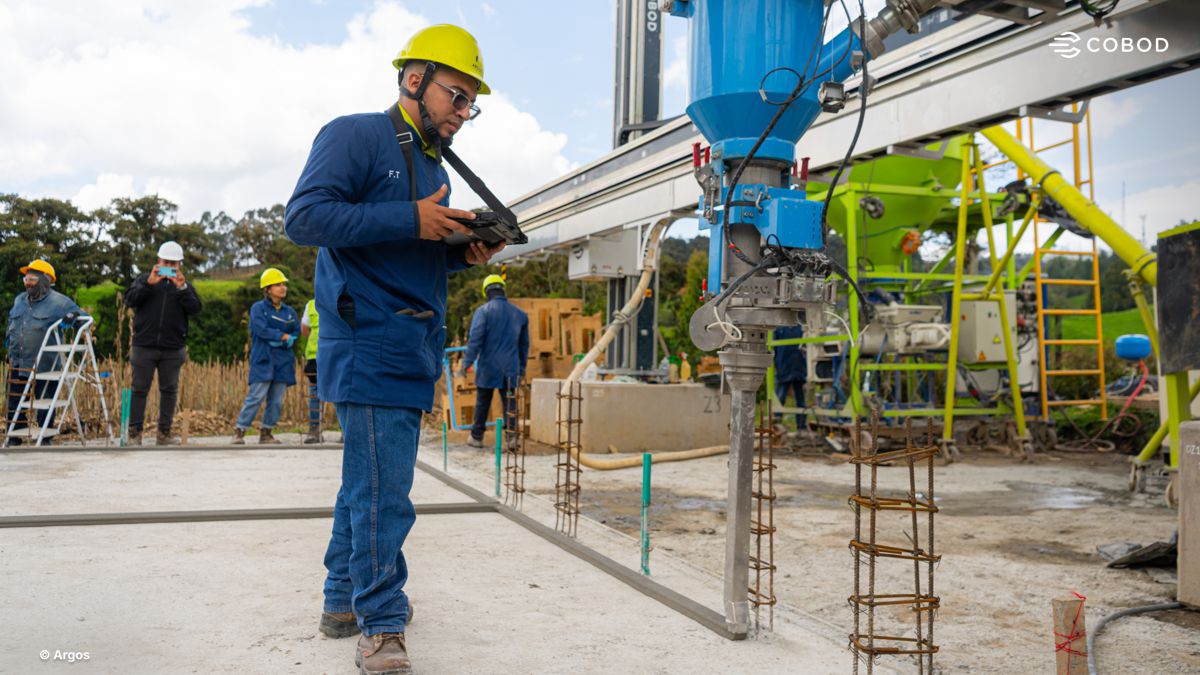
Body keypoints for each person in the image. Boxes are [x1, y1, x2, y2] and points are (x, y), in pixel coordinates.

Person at [283, 24, 503, 674]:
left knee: (365, 487)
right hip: (368, 342)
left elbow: (409, 259)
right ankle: (381, 623)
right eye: (456, 97)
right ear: (414, 79)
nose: (463, 114)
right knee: (385, 495)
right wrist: (411, 217)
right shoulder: (356, 135)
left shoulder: (432, 165)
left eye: (470, 104)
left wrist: (463, 252)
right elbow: (304, 218)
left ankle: (341, 602)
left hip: (410, 345)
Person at [123, 241, 203, 445]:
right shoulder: (144, 280)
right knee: (139, 389)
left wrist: (182, 288)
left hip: (173, 348)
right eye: (166, 262)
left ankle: (164, 433)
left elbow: (195, 309)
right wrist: (149, 283)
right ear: (158, 261)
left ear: (180, 265)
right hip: (144, 346)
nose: (170, 266)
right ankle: (134, 433)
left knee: (169, 390)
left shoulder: (184, 286)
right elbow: (130, 299)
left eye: (174, 263)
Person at [4, 259, 86, 446]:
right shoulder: (19, 300)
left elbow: (84, 318)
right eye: (26, 279)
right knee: (14, 400)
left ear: (45, 280)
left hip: (45, 364)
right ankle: (14, 437)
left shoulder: (60, 302)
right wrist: (9, 336)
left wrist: (72, 317)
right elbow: (12, 321)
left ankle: (45, 437)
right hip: (18, 359)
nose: (28, 283)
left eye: (32, 279)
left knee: (45, 401)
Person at [460, 274, 529, 449]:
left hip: (488, 367)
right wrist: (521, 369)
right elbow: (524, 346)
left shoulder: (483, 312)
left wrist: (466, 363)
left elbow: (475, 339)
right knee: (510, 402)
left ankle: (477, 437)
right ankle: (512, 439)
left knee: (483, 402)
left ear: (486, 292)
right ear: (502, 289)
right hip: (510, 368)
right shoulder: (520, 314)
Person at [232, 268, 297, 445]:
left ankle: (266, 433)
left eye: (283, 284)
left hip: (283, 361)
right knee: (255, 397)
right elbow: (261, 330)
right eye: (278, 284)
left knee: (276, 401)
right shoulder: (258, 309)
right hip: (264, 360)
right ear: (267, 289)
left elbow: (296, 330)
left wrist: (291, 338)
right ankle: (240, 430)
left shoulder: (289, 312)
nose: (283, 287)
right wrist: (281, 336)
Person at [772, 324, 807, 431]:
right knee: (780, 398)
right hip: (784, 367)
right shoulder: (779, 329)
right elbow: (774, 349)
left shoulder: (801, 329)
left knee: (800, 400)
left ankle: (801, 426)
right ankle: (776, 426)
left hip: (799, 368)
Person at [300, 297, 323, 444]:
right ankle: (343, 432)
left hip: (320, 355)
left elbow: (304, 329)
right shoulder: (311, 304)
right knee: (337, 392)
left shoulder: (312, 304)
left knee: (315, 394)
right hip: (322, 355)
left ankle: (314, 431)